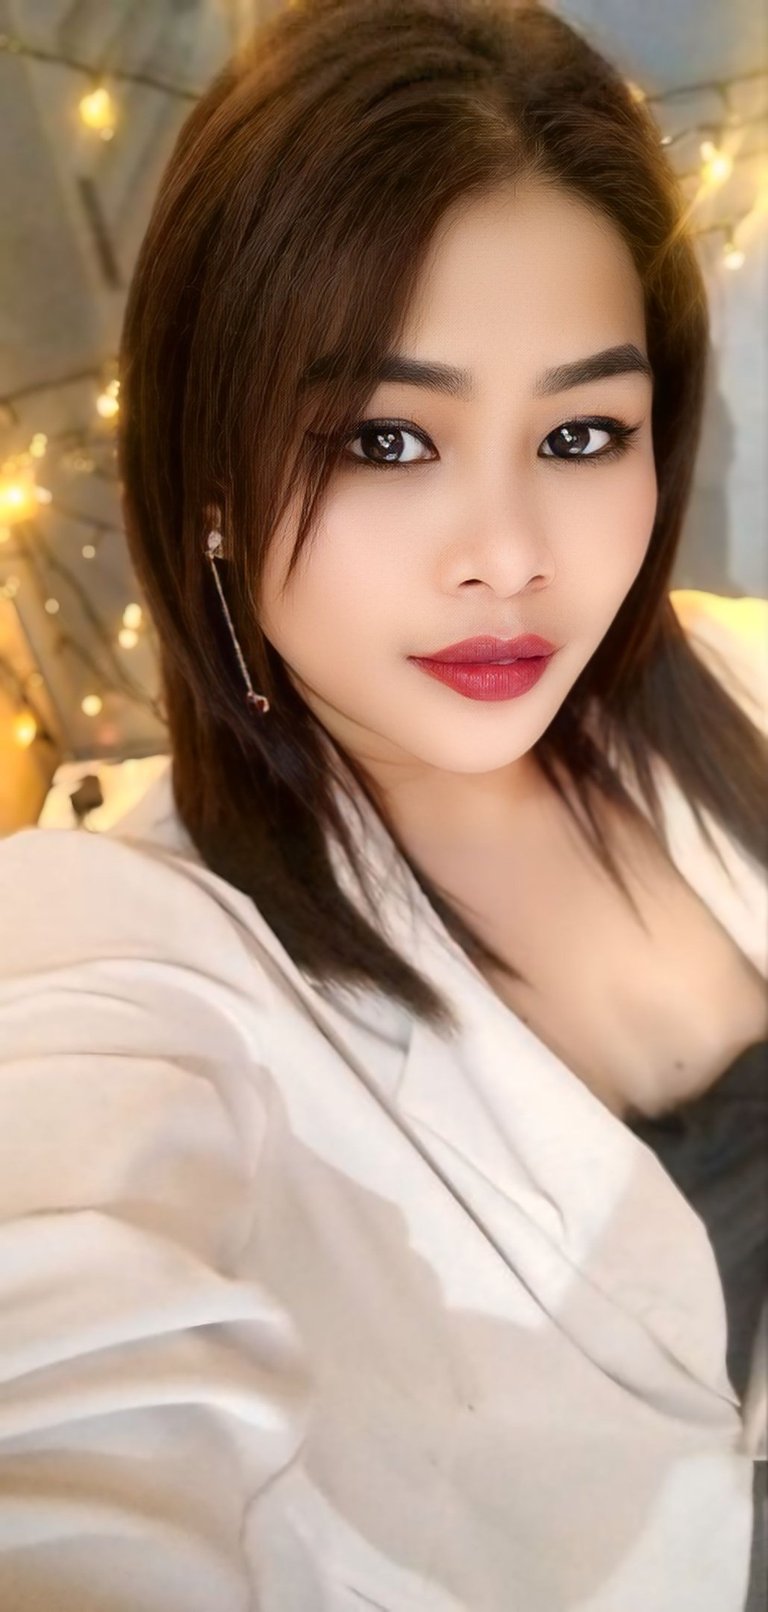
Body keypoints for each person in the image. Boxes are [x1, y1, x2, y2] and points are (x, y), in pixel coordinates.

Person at [0, 1, 766, 1606]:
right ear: (214, 480)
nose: (508, 555)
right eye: (386, 439)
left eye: (581, 432)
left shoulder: (730, 676)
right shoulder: (112, 942)